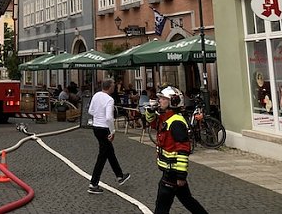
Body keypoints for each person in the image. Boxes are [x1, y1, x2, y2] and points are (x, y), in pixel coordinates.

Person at [145, 86, 208, 214]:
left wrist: (181, 175)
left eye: (163, 99)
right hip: (170, 170)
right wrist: (150, 111)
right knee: (187, 200)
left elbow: (183, 150)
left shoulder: (176, 122)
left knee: (161, 207)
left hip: (172, 172)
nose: (159, 101)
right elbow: (153, 123)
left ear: (172, 102)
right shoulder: (166, 117)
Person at [87, 78, 130, 194]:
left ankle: (120, 176)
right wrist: (113, 131)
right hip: (104, 128)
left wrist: (97, 114)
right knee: (102, 156)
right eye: (114, 85)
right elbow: (109, 118)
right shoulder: (109, 100)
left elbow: (90, 111)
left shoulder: (96, 95)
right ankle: (93, 183)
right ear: (110, 87)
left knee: (110, 152)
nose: (115, 87)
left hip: (96, 127)